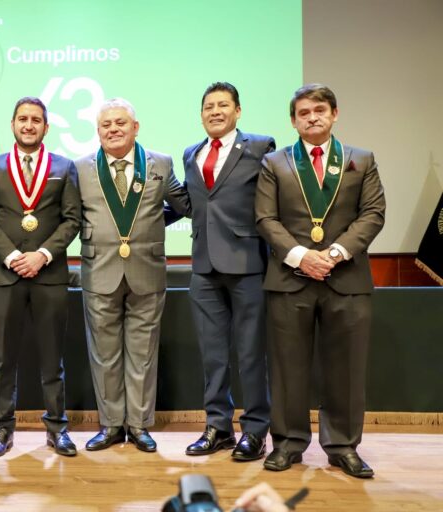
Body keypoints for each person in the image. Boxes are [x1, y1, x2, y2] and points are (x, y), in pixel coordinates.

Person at [255, 84, 385, 478]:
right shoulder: (275, 163)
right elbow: (265, 218)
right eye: (303, 112)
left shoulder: (361, 160)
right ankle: (289, 444)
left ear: (334, 113)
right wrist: (301, 256)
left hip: (345, 277)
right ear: (292, 120)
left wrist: (332, 254)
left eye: (319, 110)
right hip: (289, 278)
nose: (311, 117)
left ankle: (343, 446)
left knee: (346, 369)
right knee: (287, 368)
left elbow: (373, 213)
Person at [75, 98, 190, 452]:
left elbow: (183, 205)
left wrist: (154, 223)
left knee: (142, 353)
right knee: (104, 354)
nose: (113, 129)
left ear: (135, 127)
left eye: (120, 123)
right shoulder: (79, 169)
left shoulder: (160, 164)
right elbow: (69, 214)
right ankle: (110, 426)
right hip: (99, 271)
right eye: (106, 124)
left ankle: (139, 426)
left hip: (147, 270)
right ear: (98, 131)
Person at [0, 97, 81, 458]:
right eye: (23, 118)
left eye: (36, 119)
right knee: (5, 359)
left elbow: (72, 220)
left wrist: (43, 255)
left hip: (49, 276)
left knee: (53, 358)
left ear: (46, 127)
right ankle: (2, 430)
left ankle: (57, 428)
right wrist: (14, 256)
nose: (29, 125)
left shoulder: (64, 167)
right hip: (7, 276)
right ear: (13, 124)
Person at [180, 82, 275, 461]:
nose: (215, 111)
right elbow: (191, 203)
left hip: (248, 262)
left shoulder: (259, 146)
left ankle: (255, 431)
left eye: (223, 105)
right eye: (208, 106)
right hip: (203, 266)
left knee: (251, 353)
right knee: (213, 354)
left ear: (238, 111)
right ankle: (218, 427)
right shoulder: (191, 153)